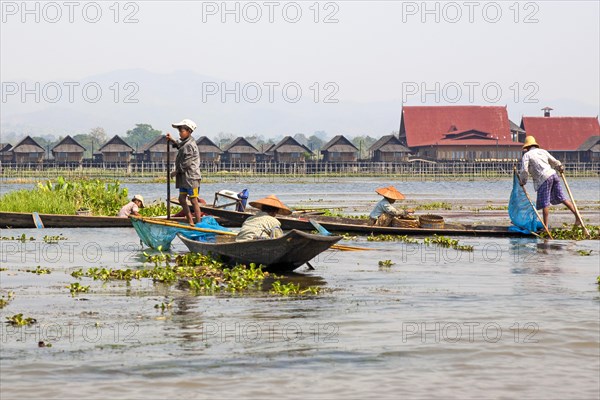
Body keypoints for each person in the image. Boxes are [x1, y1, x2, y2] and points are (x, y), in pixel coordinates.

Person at [519, 136, 582, 228]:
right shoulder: (543, 151)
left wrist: (523, 181)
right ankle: (578, 216)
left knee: (545, 202)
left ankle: (545, 226)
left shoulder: (527, 155)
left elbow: (524, 170)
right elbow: (555, 162)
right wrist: (560, 168)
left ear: (527, 147)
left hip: (543, 178)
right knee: (562, 198)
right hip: (553, 175)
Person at [166, 118, 202, 226]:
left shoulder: (190, 145)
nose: (180, 134)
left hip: (191, 177)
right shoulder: (185, 143)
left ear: (189, 132)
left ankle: (198, 223)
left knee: (193, 200)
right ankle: (190, 221)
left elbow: (187, 163)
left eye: (182, 131)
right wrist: (172, 140)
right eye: (179, 132)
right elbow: (180, 146)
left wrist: (175, 172)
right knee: (182, 199)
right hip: (184, 178)